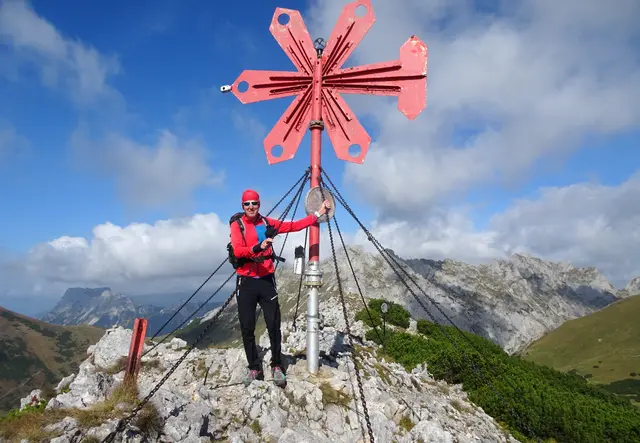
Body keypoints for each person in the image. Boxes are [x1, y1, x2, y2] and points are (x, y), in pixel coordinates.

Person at [230, 188, 331, 387]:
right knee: (247, 327)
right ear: (242, 206)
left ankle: (277, 365)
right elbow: (238, 250)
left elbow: (294, 226)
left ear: (259, 204)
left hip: (266, 280)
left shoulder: (267, 222)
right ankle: (254, 367)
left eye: (254, 203)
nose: (251, 207)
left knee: (273, 325)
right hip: (247, 281)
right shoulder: (238, 225)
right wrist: (258, 247)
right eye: (247, 204)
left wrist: (318, 213)